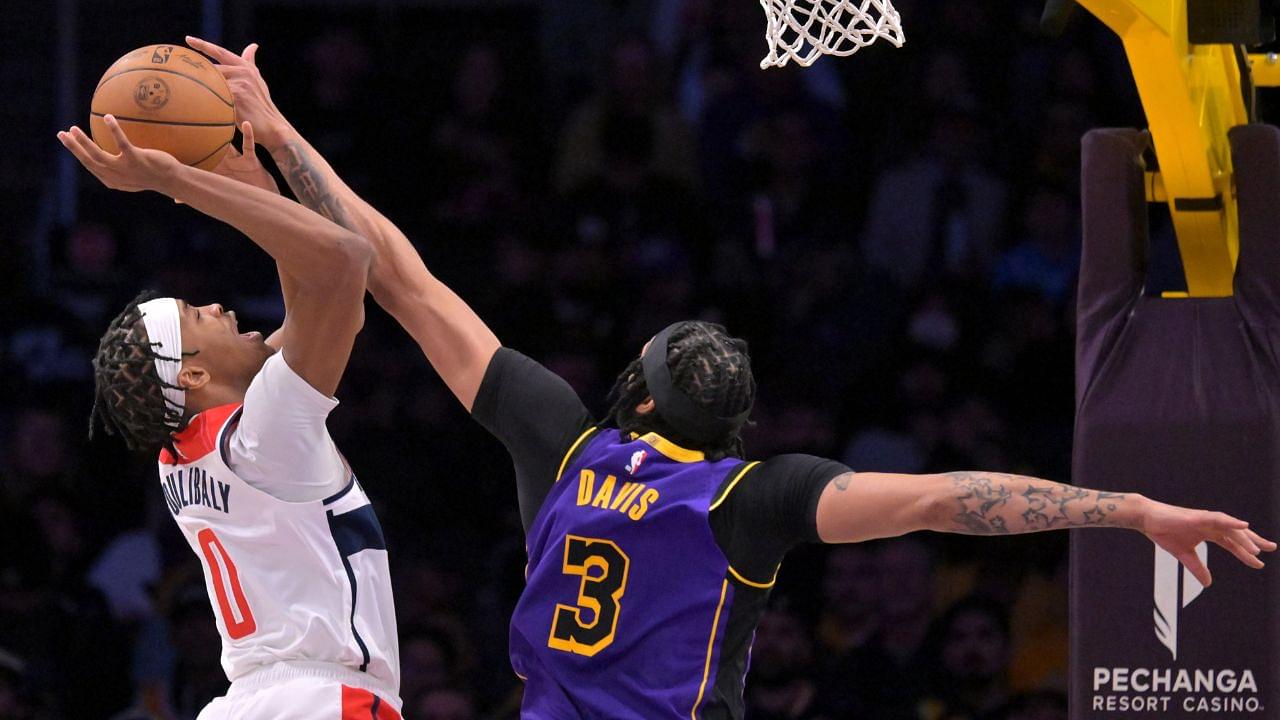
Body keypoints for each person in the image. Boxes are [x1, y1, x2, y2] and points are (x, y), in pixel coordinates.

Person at [188, 36, 1278, 720]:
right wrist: (1132, 509)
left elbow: (403, 279)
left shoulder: (564, 443)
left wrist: (282, 140)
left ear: (644, 397)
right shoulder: (751, 498)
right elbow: (956, 500)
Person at [58, 113, 403, 717]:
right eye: (198, 315)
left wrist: (255, 188)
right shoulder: (264, 435)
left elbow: (319, 308)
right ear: (190, 375)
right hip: (323, 700)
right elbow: (345, 261)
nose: (218, 306)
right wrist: (179, 181)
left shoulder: (183, 455)